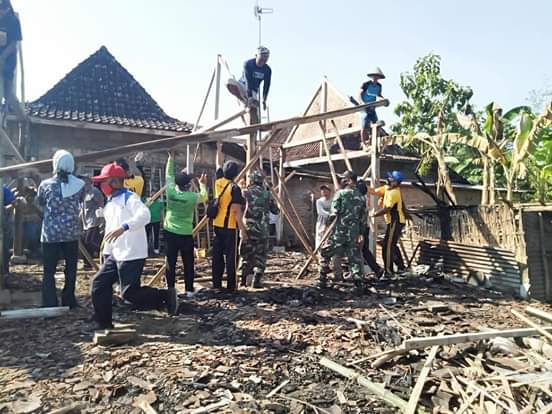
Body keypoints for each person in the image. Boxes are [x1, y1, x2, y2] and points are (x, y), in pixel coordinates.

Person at [90, 162, 169, 329]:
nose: (102, 185)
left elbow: (145, 215)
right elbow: (110, 231)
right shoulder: (110, 203)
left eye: (105, 181)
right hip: (115, 254)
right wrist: (106, 253)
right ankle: (103, 322)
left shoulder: (130, 198)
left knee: (129, 293)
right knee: (99, 284)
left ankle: (164, 297)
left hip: (132, 253)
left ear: (116, 182)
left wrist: (125, 227)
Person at [37, 150, 84, 308]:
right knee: (70, 269)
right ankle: (69, 301)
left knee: (49, 271)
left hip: (51, 234)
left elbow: (40, 203)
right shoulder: (79, 185)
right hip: (71, 233)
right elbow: (81, 201)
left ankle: (50, 304)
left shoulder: (45, 185)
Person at [164, 152, 207, 311]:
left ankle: (170, 289)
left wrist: (170, 159)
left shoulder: (170, 192)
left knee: (171, 262)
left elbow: (168, 175)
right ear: (188, 185)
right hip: (186, 233)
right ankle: (189, 290)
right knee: (188, 263)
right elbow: (204, 196)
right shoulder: (191, 197)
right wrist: (202, 183)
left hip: (170, 232)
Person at [319, 171, 366, 294]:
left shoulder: (340, 194)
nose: (342, 181)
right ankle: (358, 284)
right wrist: (361, 233)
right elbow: (363, 218)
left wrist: (326, 228)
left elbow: (334, 213)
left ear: (350, 180)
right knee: (354, 258)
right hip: (354, 233)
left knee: (326, 251)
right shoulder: (361, 196)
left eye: (345, 179)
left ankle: (322, 279)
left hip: (340, 231)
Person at [239, 170, 279, 288]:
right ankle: (256, 281)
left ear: (251, 180)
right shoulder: (267, 194)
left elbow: (238, 208)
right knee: (260, 255)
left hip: (248, 228)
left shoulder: (245, 192)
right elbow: (275, 210)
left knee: (246, 254)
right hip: (263, 229)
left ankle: (243, 280)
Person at [212, 160, 247, 292]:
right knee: (231, 258)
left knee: (217, 256)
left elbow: (218, 166)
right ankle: (231, 287)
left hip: (217, 225)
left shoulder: (218, 182)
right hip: (230, 227)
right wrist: (243, 230)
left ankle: (216, 285)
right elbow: (237, 212)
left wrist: (219, 149)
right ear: (236, 173)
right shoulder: (235, 188)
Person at [370, 171, 410, 276]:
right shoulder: (387, 188)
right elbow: (374, 191)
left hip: (395, 221)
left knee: (387, 247)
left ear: (395, 182)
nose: (388, 179)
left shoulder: (394, 192)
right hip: (392, 221)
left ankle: (388, 271)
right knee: (391, 245)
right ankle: (401, 267)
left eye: (391, 178)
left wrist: (374, 214)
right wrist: (363, 188)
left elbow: (387, 209)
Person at [227, 46, 272, 121]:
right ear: (256, 56)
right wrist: (249, 96)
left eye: (265, 60)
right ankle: (244, 99)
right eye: (261, 59)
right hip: (243, 86)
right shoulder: (248, 64)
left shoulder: (267, 70)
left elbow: (266, 85)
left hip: (254, 90)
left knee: (253, 112)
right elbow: (248, 81)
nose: (262, 62)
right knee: (229, 82)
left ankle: (253, 122)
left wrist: (264, 100)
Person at [0, 0, 25, 120]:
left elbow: (14, 43)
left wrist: (2, 58)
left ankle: (20, 117)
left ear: (7, 9)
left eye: (2, 10)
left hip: (7, 62)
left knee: (8, 93)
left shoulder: (13, 21)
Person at [355, 179, 383, 277]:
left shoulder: (359, 200)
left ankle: (358, 273)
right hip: (364, 228)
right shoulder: (365, 198)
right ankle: (377, 270)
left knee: (357, 251)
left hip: (360, 229)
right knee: (365, 251)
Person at [315, 184, 342, 281]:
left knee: (333, 246)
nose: (324, 192)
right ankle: (322, 271)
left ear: (330, 191)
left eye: (326, 190)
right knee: (320, 246)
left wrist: (334, 215)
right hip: (322, 224)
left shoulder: (333, 201)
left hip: (333, 225)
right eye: (322, 190)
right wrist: (332, 214)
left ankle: (337, 272)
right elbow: (321, 212)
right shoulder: (319, 201)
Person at [80, 176, 104, 268]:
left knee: (90, 242)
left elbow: (101, 204)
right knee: (85, 243)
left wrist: (101, 220)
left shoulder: (94, 191)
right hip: (86, 222)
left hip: (94, 221)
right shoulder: (83, 193)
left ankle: (95, 258)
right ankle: (87, 263)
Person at [358, 67, 385, 149]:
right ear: (371, 76)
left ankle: (372, 140)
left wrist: (383, 100)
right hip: (364, 107)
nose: (375, 78)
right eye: (374, 76)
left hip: (372, 107)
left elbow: (379, 95)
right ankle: (363, 144)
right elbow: (359, 94)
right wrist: (362, 103)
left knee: (376, 123)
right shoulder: (366, 84)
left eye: (377, 77)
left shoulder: (379, 86)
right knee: (364, 124)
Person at [2, 184, 15, 274]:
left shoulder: (3, 190)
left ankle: (4, 272)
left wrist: (5, 209)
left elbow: (13, 203)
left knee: (4, 249)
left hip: (3, 224)